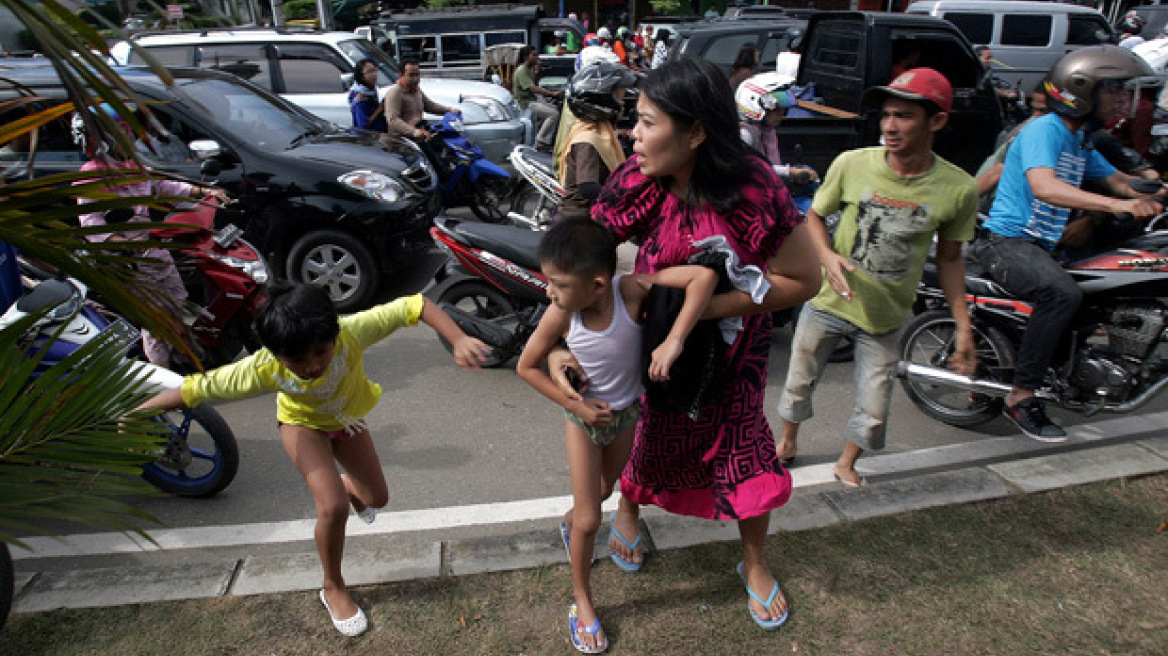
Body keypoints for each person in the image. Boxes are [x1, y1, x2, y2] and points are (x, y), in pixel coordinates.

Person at [551, 58, 821, 631]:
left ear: (695, 132)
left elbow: (803, 281)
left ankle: (754, 562)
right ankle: (628, 511)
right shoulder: (639, 178)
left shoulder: (754, 189)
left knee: (744, 451)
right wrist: (555, 345)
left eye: (648, 123)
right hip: (651, 346)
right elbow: (579, 263)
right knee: (646, 434)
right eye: (636, 120)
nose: (633, 134)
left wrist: (706, 313)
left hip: (731, 359)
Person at [137, 282, 489, 636]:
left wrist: (458, 339)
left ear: (334, 334)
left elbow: (415, 304)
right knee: (332, 508)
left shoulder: (352, 332)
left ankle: (345, 487)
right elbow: (194, 389)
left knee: (376, 498)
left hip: (345, 421)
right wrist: (137, 412)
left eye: (321, 352)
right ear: (275, 353)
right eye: (297, 360)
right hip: (301, 426)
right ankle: (332, 586)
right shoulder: (262, 368)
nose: (312, 366)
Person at [517, 218, 718, 654]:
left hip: (627, 417)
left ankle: (571, 523)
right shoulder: (562, 313)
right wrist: (575, 406)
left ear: (597, 284)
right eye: (548, 281)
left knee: (605, 491)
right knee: (592, 518)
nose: (549, 292)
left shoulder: (630, 291)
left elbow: (703, 278)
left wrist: (675, 340)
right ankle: (583, 602)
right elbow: (526, 366)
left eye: (558, 284)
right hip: (583, 423)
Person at [775, 67, 979, 487]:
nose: (889, 125)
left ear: (937, 121)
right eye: (886, 114)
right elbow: (814, 216)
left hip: (885, 318)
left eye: (904, 116)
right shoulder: (852, 164)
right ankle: (788, 442)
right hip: (828, 302)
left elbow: (950, 259)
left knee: (875, 405)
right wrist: (827, 256)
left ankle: (846, 462)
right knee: (798, 383)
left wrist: (963, 326)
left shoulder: (958, 188)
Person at [969, 46, 1163, 440]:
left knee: (1098, 294)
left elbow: (1122, 181)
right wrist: (1118, 205)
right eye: (1113, 90)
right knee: (1062, 294)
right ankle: (1021, 397)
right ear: (1083, 90)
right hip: (1007, 242)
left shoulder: (1080, 141)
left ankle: (1065, 372)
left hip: (1041, 247)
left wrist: (1153, 192)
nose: (1121, 99)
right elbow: (1045, 187)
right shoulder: (1047, 130)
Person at [72, 105, 227, 367]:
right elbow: (91, 226)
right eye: (120, 133)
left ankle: (182, 361)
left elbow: (165, 186)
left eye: (127, 132)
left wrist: (203, 191)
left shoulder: (133, 168)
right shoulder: (91, 179)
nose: (128, 139)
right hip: (128, 263)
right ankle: (161, 376)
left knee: (177, 307)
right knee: (155, 322)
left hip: (154, 252)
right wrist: (125, 244)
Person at [557, 61, 637, 221]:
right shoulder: (588, 140)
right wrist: (623, 199)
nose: (622, 103)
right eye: (618, 96)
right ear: (602, 100)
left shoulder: (599, 132)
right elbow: (587, 187)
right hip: (582, 220)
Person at [735, 71, 819, 212]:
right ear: (754, 104)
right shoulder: (745, 134)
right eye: (777, 107)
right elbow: (748, 169)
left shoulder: (768, 131)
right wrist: (789, 172)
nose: (782, 113)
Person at [382, 59, 458, 142]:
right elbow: (393, 120)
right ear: (401, 75)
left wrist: (450, 110)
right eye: (411, 75)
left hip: (419, 136)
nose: (415, 79)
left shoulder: (416, 89)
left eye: (417, 75)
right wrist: (414, 131)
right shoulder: (395, 92)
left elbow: (430, 106)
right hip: (402, 142)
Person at [514, 45, 564, 152]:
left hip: (533, 100)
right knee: (553, 114)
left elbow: (535, 83)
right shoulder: (522, 70)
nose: (536, 57)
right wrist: (552, 93)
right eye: (534, 55)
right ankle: (541, 141)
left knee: (555, 108)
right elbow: (533, 88)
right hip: (526, 103)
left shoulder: (530, 69)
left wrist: (537, 73)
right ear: (526, 57)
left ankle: (547, 138)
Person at [348, 58, 386, 132]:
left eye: (374, 70)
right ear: (361, 76)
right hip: (368, 136)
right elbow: (363, 126)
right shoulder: (360, 98)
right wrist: (380, 109)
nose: (374, 74)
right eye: (370, 72)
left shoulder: (371, 89)